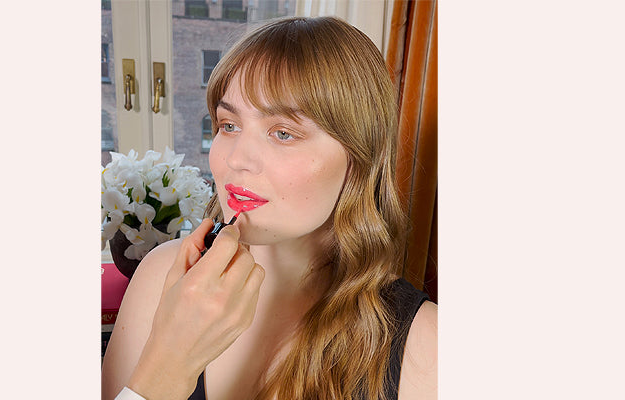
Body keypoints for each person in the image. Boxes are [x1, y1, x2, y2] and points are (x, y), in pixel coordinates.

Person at [101, 16, 437, 400]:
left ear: (358, 160)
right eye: (229, 125)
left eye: (283, 133)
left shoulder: (427, 347)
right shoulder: (162, 276)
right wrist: (169, 364)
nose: (236, 159)